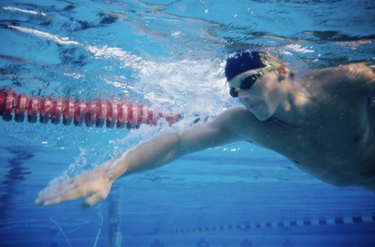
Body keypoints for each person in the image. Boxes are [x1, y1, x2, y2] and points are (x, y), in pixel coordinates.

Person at [35, 51, 375, 208]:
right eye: (234, 91)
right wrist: (109, 173)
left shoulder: (348, 82)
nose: (242, 97)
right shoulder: (246, 124)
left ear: (282, 70)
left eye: (249, 82)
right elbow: (178, 143)